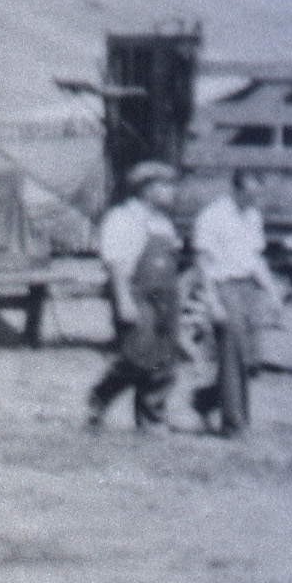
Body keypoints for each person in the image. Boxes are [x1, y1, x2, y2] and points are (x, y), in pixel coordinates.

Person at [87, 161, 183, 431]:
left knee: (163, 358)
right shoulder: (122, 218)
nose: (171, 192)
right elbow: (116, 265)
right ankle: (101, 396)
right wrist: (124, 301)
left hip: (165, 298)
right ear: (147, 189)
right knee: (138, 355)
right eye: (166, 186)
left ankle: (152, 418)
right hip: (135, 293)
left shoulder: (164, 224)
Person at [189, 168, 283, 436]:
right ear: (237, 189)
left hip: (247, 289)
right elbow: (203, 263)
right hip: (223, 287)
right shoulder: (213, 216)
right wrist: (212, 302)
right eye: (250, 194)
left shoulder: (253, 216)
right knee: (233, 355)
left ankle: (204, 401)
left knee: (250, 360)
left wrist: (272, 292)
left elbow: (255, 260)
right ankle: (233, 424)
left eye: (258, 195)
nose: (254, 201)